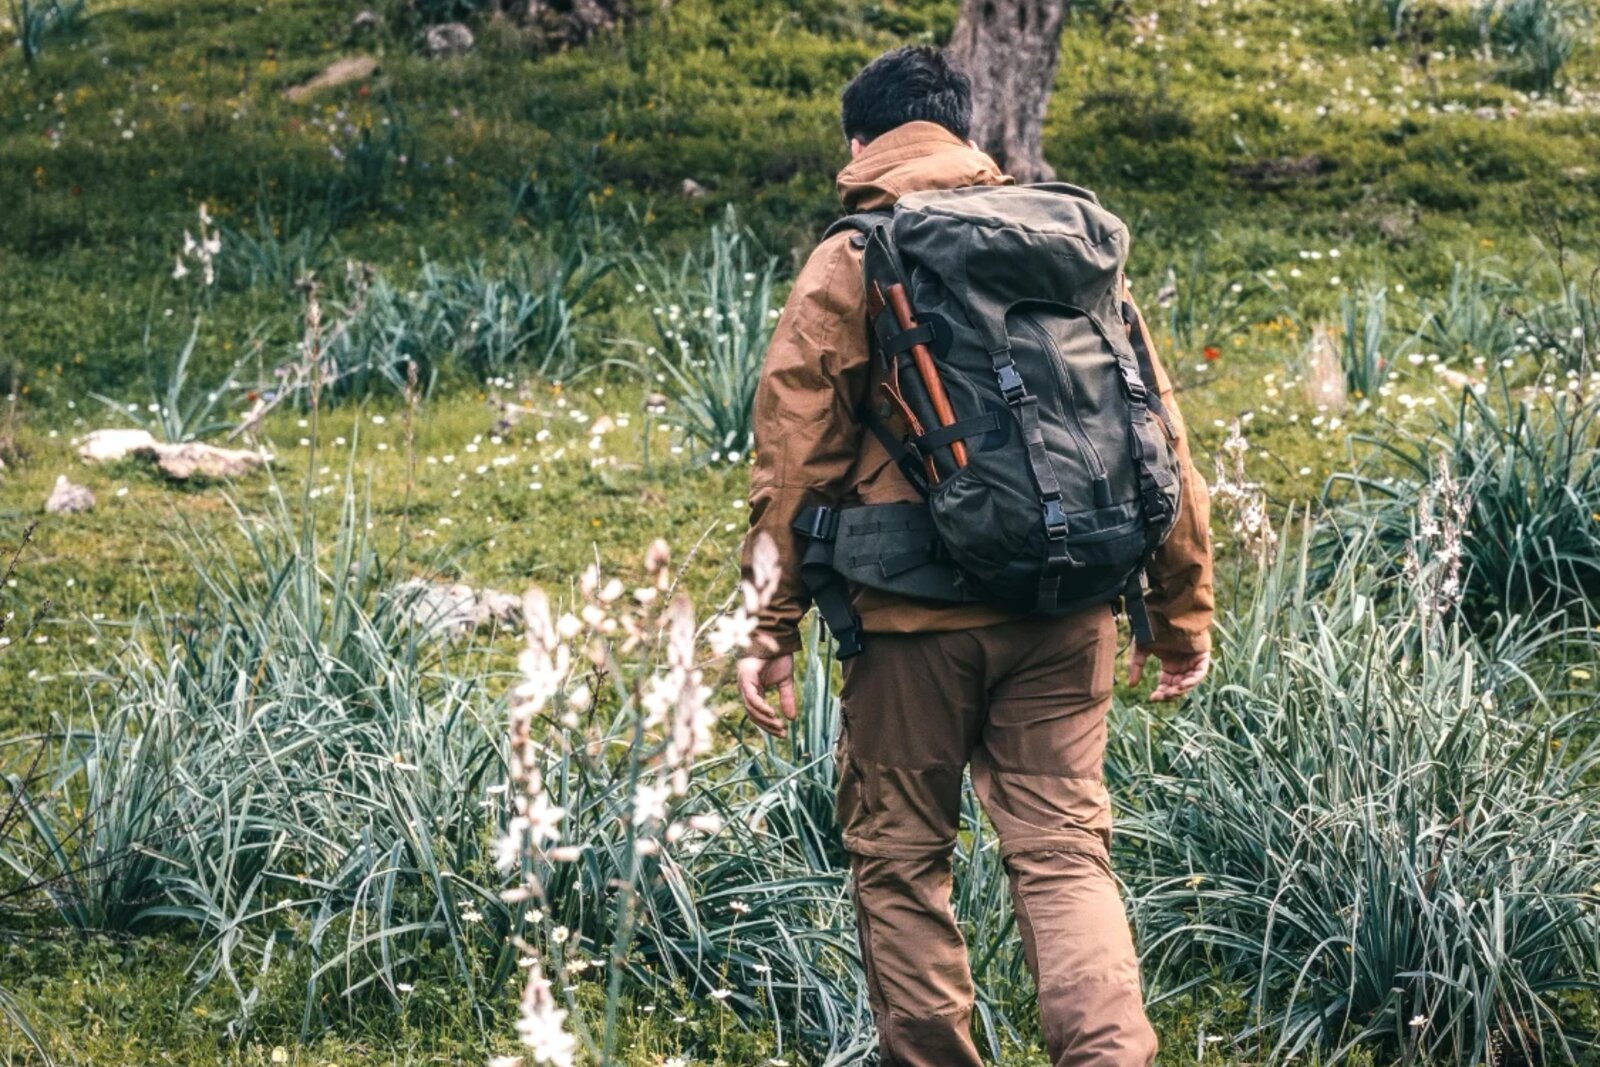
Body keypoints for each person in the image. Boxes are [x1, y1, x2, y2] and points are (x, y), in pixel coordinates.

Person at [734, 46, 1214, 1067]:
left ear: (858, 143)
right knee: (1064, 854)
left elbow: (794, 455)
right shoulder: (1066, 243)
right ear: (965, 133)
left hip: (911, 621)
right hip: (1067, 602)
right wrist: (1179, 614)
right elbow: (1157, 432)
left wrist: (767, 627)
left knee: (902, 861)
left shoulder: (855, 254)